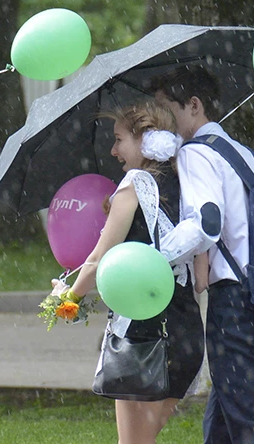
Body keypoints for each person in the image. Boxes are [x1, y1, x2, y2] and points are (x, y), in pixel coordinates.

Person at [55, 100, 205, 444]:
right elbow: (200, 276)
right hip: (184, 332)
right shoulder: (190, 186)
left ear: (147, 141)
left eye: (119, 139)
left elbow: (97, 259)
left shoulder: (135, 184)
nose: (113, 149)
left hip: (142, 333)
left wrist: (67, 299)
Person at [151, 66, 254, 444]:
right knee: (225, 418)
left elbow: (207, 223)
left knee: (247, 424)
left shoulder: (196, 153)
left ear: (193, 106)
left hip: (237, 301)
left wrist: (154, 257)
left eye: (166, 111)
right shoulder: (242, 153)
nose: (162, 125)